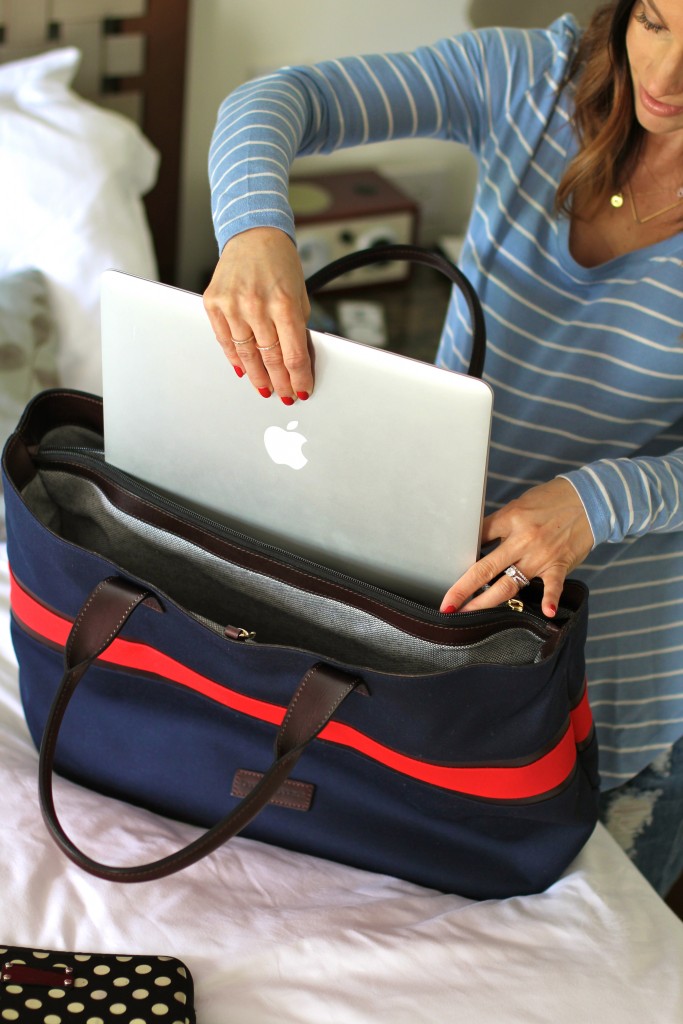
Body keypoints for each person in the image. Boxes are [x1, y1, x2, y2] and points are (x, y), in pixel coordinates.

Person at [204, 0, 683, 898]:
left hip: (618, 681)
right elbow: (277, 99)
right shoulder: (533, 80)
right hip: (435, 624)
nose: (661, 77)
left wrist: (596, 503)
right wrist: (254, 229)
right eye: (654, 22)